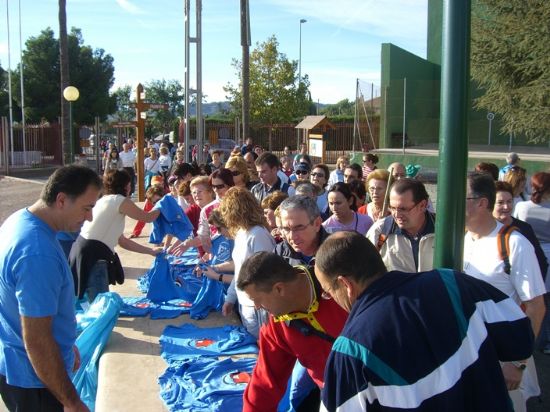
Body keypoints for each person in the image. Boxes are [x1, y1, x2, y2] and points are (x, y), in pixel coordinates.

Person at [315, 231, 535, 412]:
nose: (331, 298)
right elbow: (521, 337)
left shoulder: (349, 350)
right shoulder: (451, 281)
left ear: (346, 284)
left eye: (328, 291)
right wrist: (517, 366)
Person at [0, 165, 103, 412]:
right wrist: (71, 401)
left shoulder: (21, 220)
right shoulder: (37, 252)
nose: (89, 217)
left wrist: (66, 346)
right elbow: (37, 338)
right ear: (61, 200)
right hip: (34, 380)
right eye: (87, 208)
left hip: (20, 366)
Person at [463, 172, 546, 412]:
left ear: (481, 203)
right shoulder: (460, 239)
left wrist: (517, 363)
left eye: (462, 198)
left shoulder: (515, 243)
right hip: (468, 354)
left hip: (502, 356)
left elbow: (536, 306)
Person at [238, 252, 348, 412]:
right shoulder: (276, 325)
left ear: (279, 289)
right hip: (337, 399)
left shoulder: (341, 289)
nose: (257, 307)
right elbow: (265, 382)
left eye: (257, 299)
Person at [70, 170, 162, 301]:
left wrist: (150, 251)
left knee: (94, 302)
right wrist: (162, 205)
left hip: (84, 251)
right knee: (100, 305)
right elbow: (147, 217)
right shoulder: (119, 200)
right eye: (130, 184)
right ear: (126, 185)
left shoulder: (106, 201)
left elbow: (123, 241)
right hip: (94, 255)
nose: (131, 188)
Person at [219, 187, 276, 338]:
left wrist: (258, 299)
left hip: (260, 306)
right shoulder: (241, 233)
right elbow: (239, 270)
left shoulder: (258, 234)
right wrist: (230, 298)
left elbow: (266, 271)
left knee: (264, 344)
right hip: (245, 303)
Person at [513, 172, 550, 354]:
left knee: (531, 299)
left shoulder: (522, 206)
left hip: (530, 250)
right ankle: (543, 340)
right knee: (543, 301)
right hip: (545, 252)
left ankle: (535, 339)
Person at [367, 178, 435, 272]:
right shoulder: (379, 231)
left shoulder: (444, 231)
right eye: (392, 208)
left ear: (423, 205)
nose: (396, 215)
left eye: (403, 209)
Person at [493, 181, 548, 278]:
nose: (506, 207)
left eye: (509, 201)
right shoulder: (484, 228)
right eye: (500, 203)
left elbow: (541, 262)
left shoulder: (524, 228)